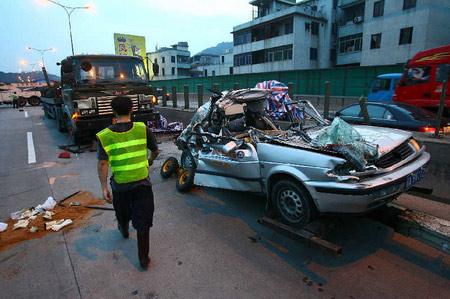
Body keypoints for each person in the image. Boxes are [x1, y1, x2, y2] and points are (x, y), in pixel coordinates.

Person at [96, 96, 159, 270]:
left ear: (113, 111)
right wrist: (149, 161)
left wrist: (104, 188)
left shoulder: (105, 135)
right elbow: (155, 151)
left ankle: (123, 229)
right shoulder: (142, 129)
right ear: (132, 109)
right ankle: (143, 259)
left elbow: (102, 163)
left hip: (120, 185)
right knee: (143, 219)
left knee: (122, 212)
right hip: (142, 183)